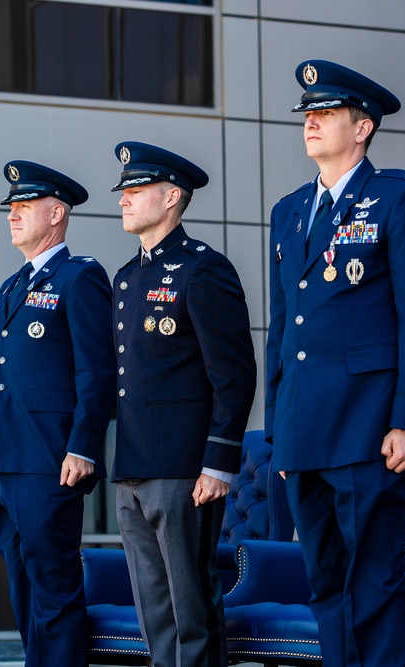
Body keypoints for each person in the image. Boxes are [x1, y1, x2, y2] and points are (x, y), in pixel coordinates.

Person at [265, 60, 405, 667]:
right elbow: (281, 329)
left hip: (371, 427)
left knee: (375, 583)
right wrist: (280, 435)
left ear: (363, 126)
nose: (311, 123)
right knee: (325, 587)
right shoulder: (289, 211)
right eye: (307, 115)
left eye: (326, 114)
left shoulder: (398, 196)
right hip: (305, 430)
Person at [109, 141, 257, 667]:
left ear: (172, 196)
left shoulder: (203, 270)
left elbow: (234, 375)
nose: (123, 199)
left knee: (191, 613)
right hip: (132, 470)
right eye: (123, 190)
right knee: (155, 616)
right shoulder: (125, 279)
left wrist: (218, 463)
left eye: (136, 189)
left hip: (184, 471)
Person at [0, 160, 116, 667]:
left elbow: (98, 373)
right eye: (10, 207)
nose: (12, 215)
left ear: (56, 213)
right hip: (9, 461)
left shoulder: (80, 278)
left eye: (23, 206)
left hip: (53, 460)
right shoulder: (12, 286)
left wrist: (83, 444)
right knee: (23, 592)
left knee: (54, 592)